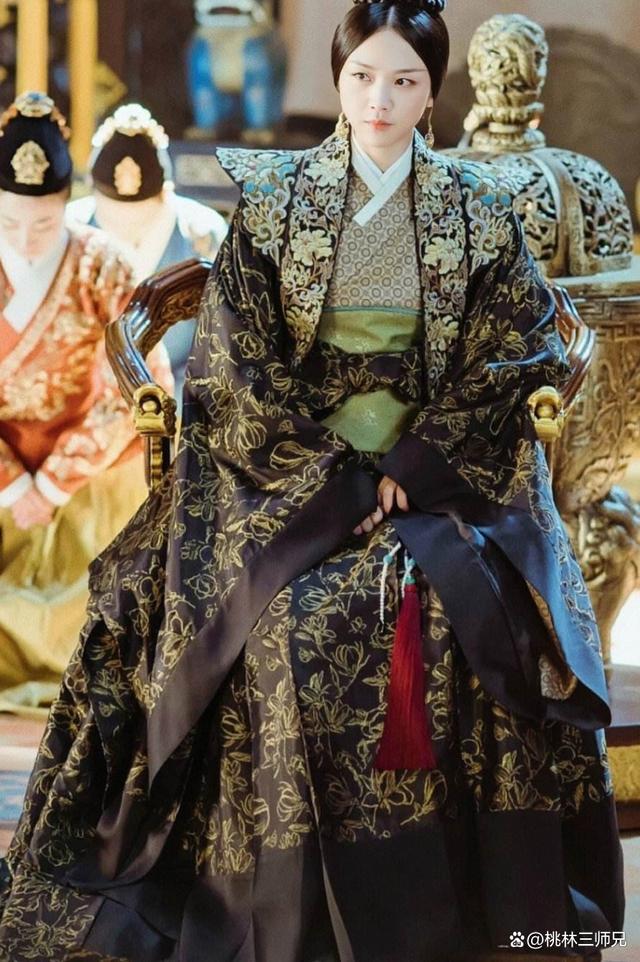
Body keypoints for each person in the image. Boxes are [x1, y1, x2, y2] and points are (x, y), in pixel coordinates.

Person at [0, 3, 624, 960]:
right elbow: (235, 363)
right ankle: (282, 902)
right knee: (289, 621)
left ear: (432, 91)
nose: (381, 101)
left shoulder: (476, 210)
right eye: (363, 77)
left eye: (405, 81)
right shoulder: (279, 200)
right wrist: (339, 476)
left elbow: (517, 348)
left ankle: (456, 902)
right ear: (338, 79)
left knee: (455, 615)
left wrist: (416, 464)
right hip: (290, 480)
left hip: (439, 480)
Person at [0, 91, 172, 715]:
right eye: (10, 222)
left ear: (67, 205)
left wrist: (52, 483)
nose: (26, 239)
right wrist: (15, 484)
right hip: (5, 473)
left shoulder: (104, 264)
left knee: (100, 596)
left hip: (92, 475)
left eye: (44, 224)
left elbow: (145, 385)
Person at [67, 103, 228, 388]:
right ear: (93, 192)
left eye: (140, 212)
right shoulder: (72, 228)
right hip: (88, 393)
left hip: (183, 393)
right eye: (113, 212)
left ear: (166, 194)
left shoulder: (204, 234)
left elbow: (222, 341)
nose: (125, 222)